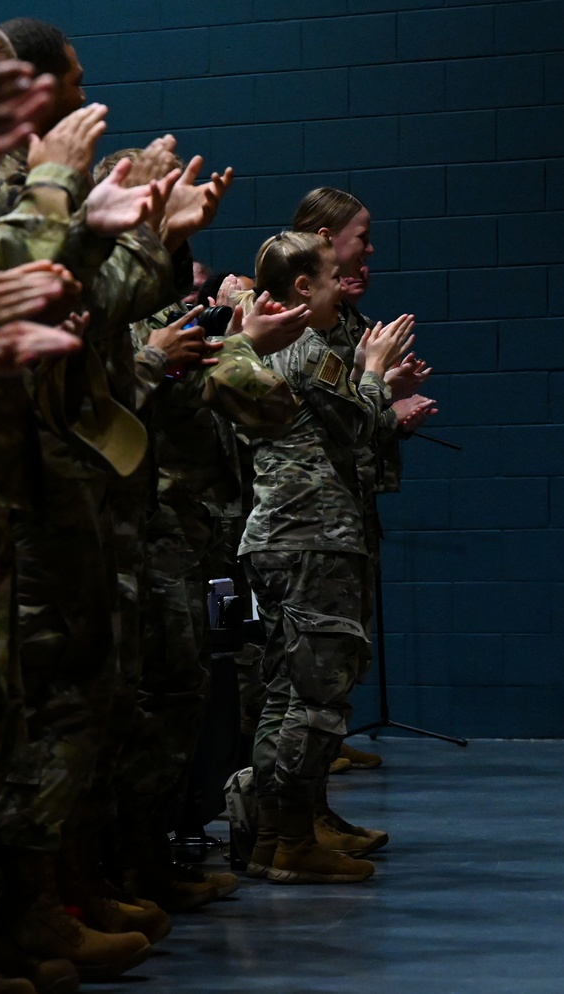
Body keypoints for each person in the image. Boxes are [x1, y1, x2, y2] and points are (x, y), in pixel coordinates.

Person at [240, 230, 413, 883]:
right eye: (334, 276)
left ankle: (267, 838)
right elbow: (362, 425)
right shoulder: (309, 350)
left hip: (275, 536)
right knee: (316, 699)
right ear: (302, 288)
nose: (346, 286)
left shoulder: (259, 349)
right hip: (314, 536)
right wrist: (375, 371)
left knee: (284, 695)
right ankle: (290, 842)